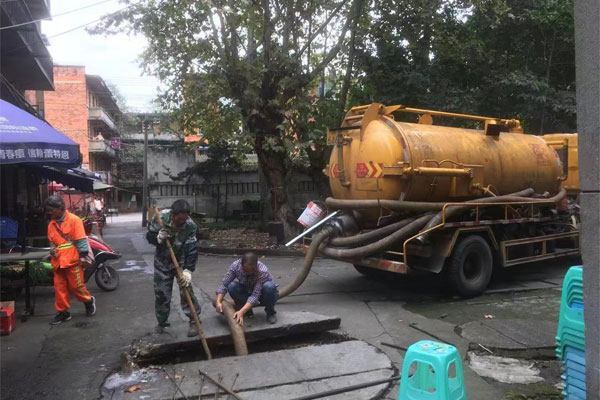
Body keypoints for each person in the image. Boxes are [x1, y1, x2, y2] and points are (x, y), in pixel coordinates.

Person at [146, 199, 201, 337]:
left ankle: (194, 320)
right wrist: (158, 238)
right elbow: (149, 235)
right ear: (172, 213)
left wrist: (188, 270)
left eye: (185, 218)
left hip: (181, 262)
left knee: (186, 290)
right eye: (179, 219)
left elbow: (192, 249)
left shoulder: (191, 226)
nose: (181, 222)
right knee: (162, 293)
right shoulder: (160, 218)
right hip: (162, 261)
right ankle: (162, 323)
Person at [45, 195, 96, 325]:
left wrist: (83, 257)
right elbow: (52, 242)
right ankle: (63, 312)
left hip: (73, 260)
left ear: (60, 208)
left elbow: (81, 240)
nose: (49, 212)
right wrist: (52, 250)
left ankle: (88, 301)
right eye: (48, 210)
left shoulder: (74, 220)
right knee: (59, 287)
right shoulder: (51, 224)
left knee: (76, 286)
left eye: (51, 209)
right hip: (58, 261)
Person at [215, 252, 278, 325]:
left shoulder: (262, 271)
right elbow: (224, 284)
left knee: (269, 286)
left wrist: (241, 311)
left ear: (256, 265)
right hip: (247, 291)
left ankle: (270, 313)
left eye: (253, 270)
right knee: (232, 286)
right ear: (241, 265)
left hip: (263, 295)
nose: (249, 273)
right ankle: (247, 311)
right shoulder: (235, 266)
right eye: (246, 271)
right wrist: (218, 302)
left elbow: (255, 295)